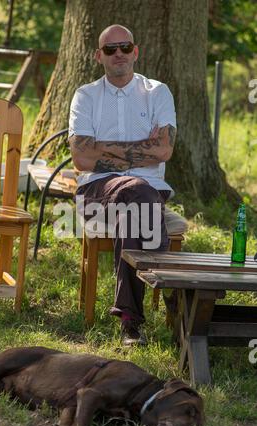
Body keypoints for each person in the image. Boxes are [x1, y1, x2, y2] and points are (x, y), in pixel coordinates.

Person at [69, 24, 177, 346]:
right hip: (97, 189)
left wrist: (103, 146)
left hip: (145, 191)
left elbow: (163, 150)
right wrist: (139, 151)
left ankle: (130, 320)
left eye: (125, 47)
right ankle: (168, 286)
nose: (119, 54)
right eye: (111, 49)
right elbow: (81, 159)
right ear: (98, 55)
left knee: (133, 202)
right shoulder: (85, 95)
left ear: (136, 52)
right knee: (136, 191)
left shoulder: (157, 92)